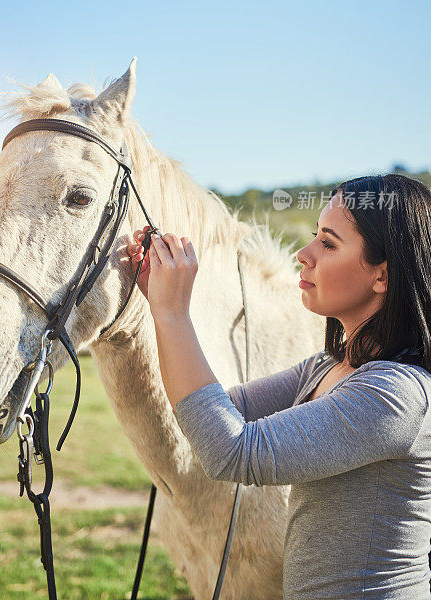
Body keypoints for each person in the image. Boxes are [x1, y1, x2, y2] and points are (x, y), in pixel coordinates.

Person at [127, 173, 431, 600]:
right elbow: (211, 415)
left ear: (383, 276)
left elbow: (231, 452)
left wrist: (172, 314)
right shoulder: (328, 368)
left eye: (328, 243)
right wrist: (158, 302)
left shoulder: (396, 396)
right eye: (314, 237)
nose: (303, 254)